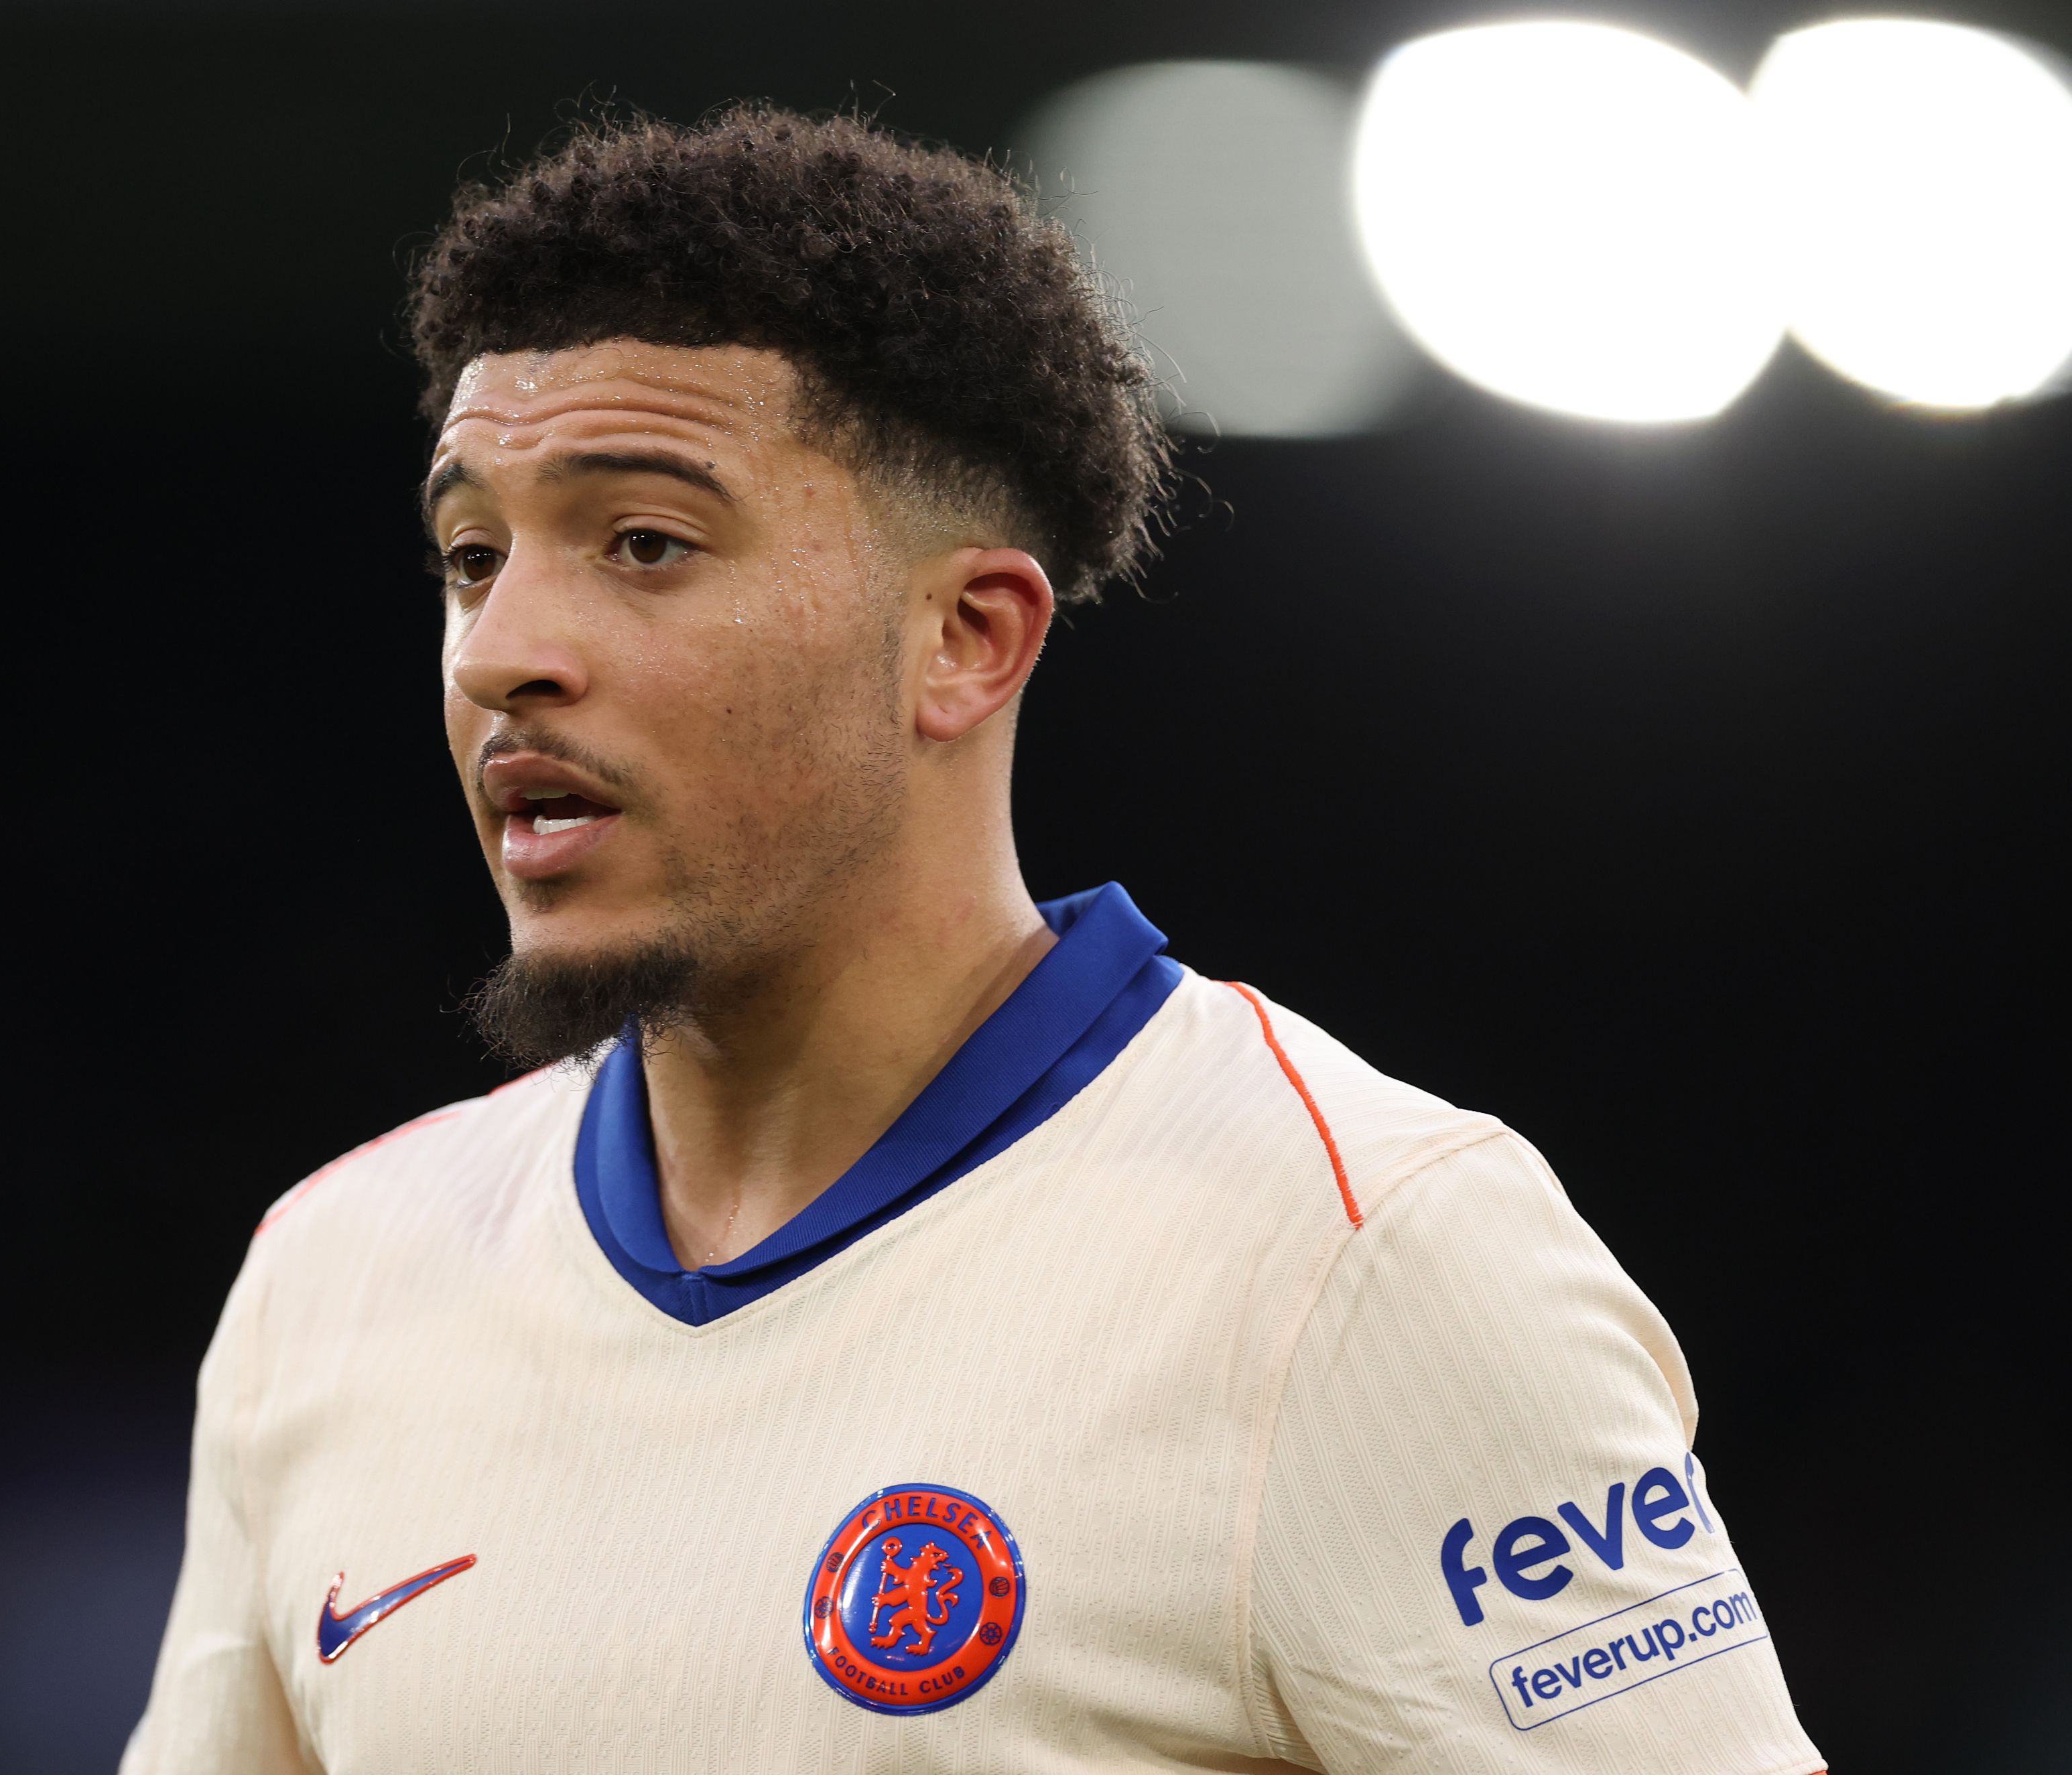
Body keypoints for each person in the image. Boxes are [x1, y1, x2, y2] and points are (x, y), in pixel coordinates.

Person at [122, 105, 1822, 1774]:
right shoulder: (333, 1282)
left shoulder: (1363, 1260)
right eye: (471, 555)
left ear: (965, 638)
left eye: (644, 542)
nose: (503, 651)